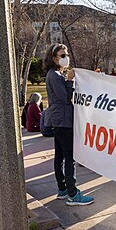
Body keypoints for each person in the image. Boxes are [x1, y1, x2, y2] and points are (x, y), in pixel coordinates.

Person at [44, 43, 94, 206]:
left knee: (60, 156)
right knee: (69, 157)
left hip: (59, 119)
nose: (66, 58)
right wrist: (70, 80)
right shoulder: (55, 76)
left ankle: (63, 189)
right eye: (62, 55)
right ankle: (73, 194)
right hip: (63, 120)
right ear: (53, 58)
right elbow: (65, 97)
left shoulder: (56, 74)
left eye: (66, 55)